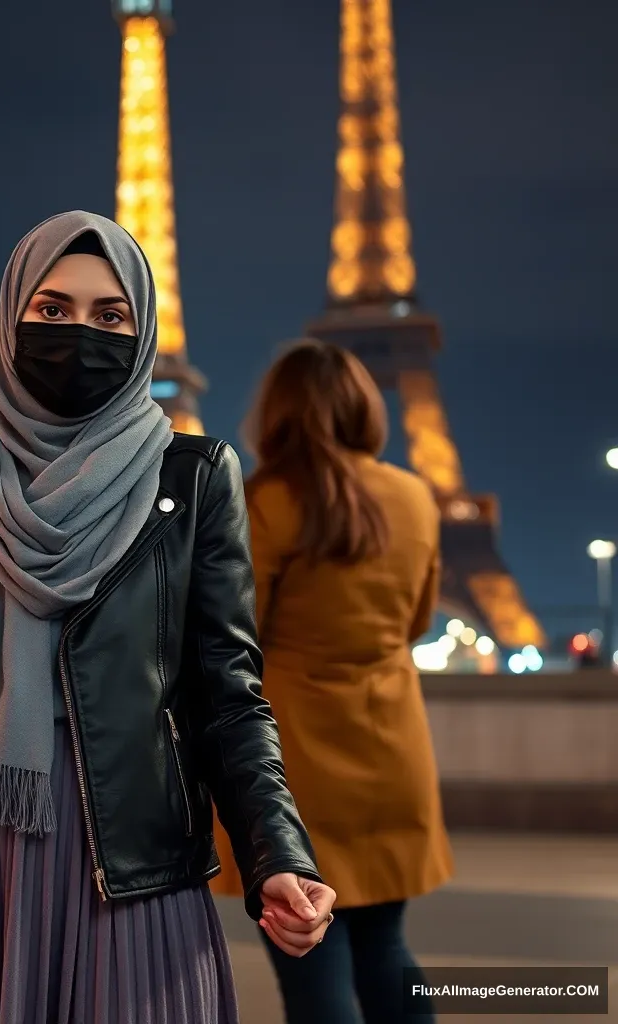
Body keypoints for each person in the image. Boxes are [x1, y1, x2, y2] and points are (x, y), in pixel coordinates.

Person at [0, 212, 336, 1024]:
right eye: (52, 310)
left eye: (110, 315)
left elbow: (229, 697)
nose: (79, 334)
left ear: (142, 333)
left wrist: (278, 853)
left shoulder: (194, 481)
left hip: (126, 854)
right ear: (9, 318)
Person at [240, 338, 454, 1023]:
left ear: (278, 413)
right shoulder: (415, 498)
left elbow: (237, 636)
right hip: (393, 750)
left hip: (298, 763)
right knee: (384, 948)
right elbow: (418, 621)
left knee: (311, 962)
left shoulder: (267, 502)